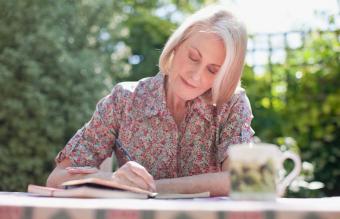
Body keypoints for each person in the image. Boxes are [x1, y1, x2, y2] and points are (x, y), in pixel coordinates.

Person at [46, 4, 254, 196]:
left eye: (212, 70)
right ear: (176, 46)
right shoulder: (124, 101)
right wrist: (111, 180)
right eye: (193, 57)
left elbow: (241, 180)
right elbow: (57, 179)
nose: (196, 76)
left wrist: (150, 187)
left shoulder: (232, 105)